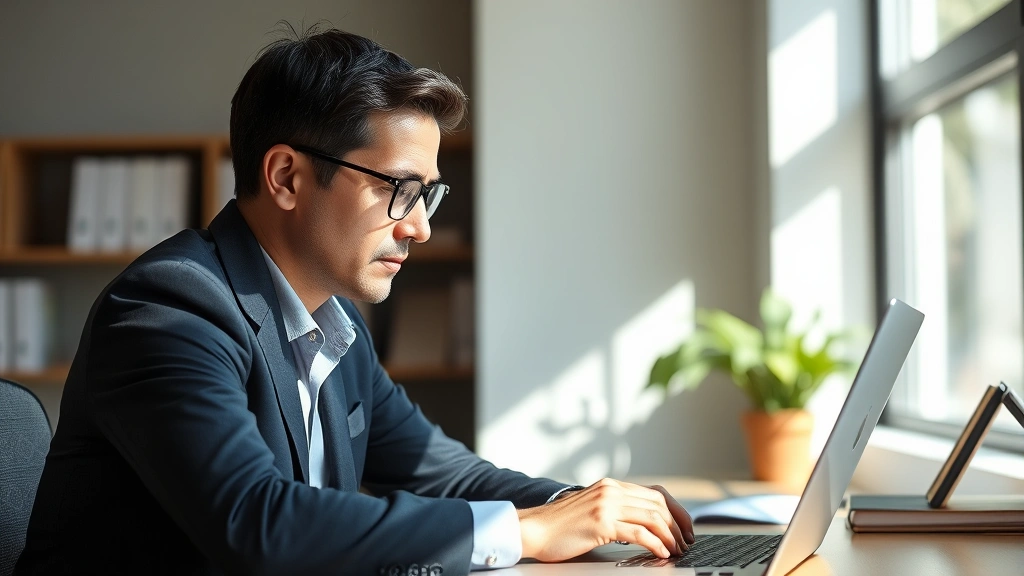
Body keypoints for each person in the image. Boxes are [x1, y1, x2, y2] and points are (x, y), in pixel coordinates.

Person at [16, 26, 695, 576]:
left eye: (429, 193)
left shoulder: (334, 326)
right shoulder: (170, 310)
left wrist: (588, 507)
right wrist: (528, 532)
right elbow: (256, 523)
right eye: (399, 188)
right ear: (286, 176)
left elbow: (443, 473)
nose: (420, 225)